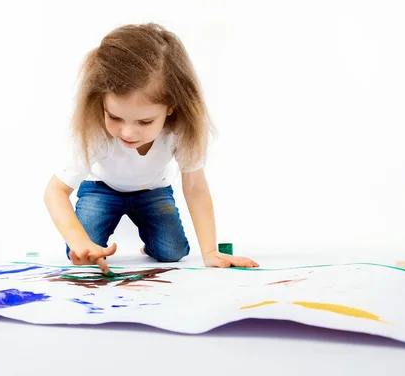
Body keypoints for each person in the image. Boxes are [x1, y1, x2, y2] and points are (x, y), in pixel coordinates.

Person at [44, 23, 259, 273]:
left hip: (153, 191)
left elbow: (195, 188)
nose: (127, 132)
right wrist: (79, 242)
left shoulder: (179, 132)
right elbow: (55, 191)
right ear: (101, 100)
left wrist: (210, 251)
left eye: (144, 122)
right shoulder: (95, 132)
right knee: (79, 253)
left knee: (173, 253)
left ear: (171, 108)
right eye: (114, 117)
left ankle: (151, 243)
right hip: (100, 190)